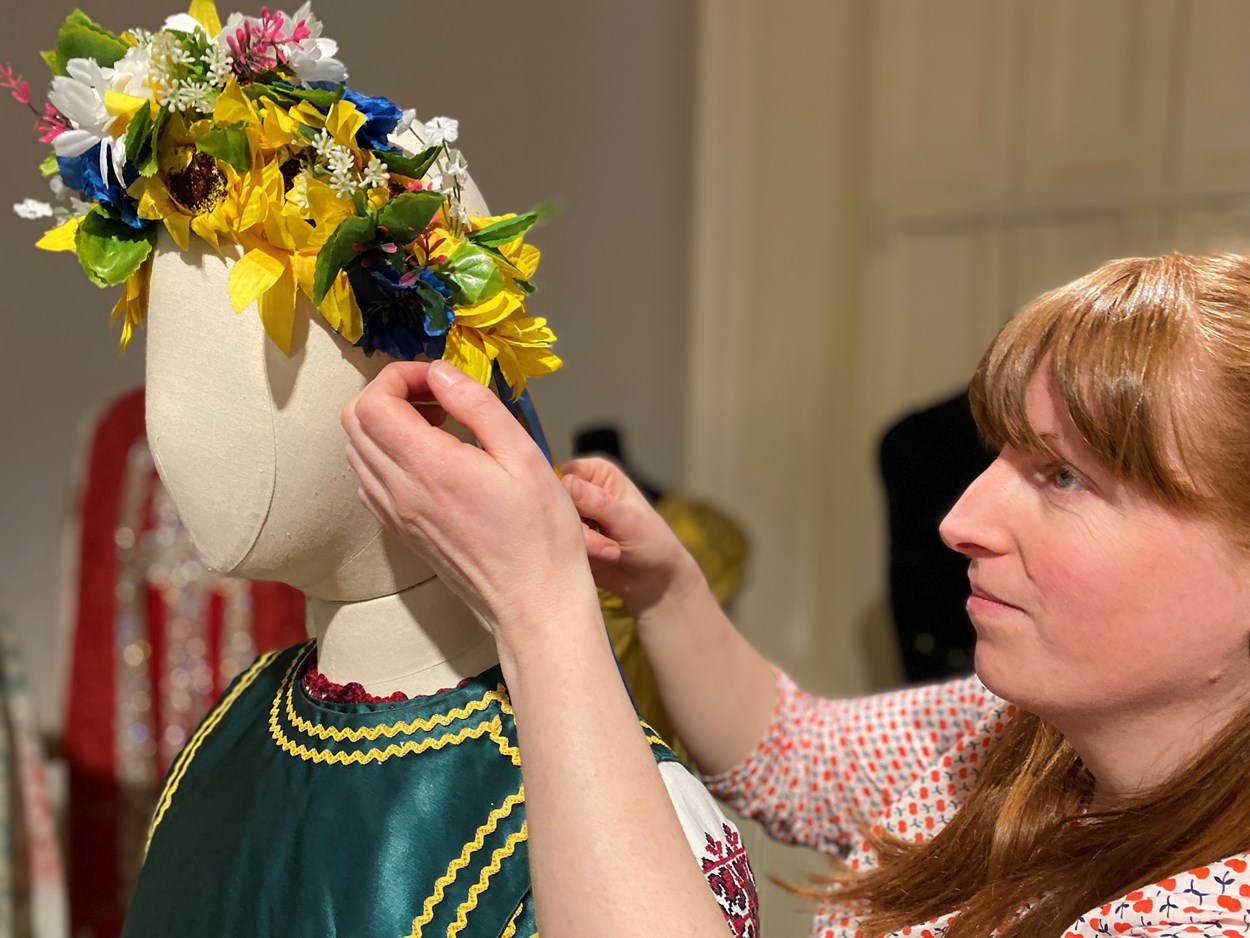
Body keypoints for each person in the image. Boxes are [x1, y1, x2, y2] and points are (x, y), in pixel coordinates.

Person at [342, 252, 1250, 937]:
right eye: (1001, 457)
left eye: (1063, 477)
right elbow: (791, 755)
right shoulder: (1010, 738)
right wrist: (664, 590)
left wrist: (539, 610)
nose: (961, 519)